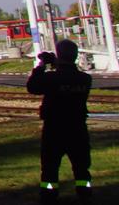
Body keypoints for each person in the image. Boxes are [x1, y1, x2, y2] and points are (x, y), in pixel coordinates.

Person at [28, 40, 92, 202]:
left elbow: (32, 86)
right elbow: (67, 75)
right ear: (76, 55)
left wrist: (42, 64)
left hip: (54, 129)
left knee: (49, 170)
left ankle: (49, 196)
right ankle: (85, 194)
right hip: (78, 129)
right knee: (82, 169)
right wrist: (58, 63)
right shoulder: (85, 79)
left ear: (59, 55)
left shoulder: (51, 78)